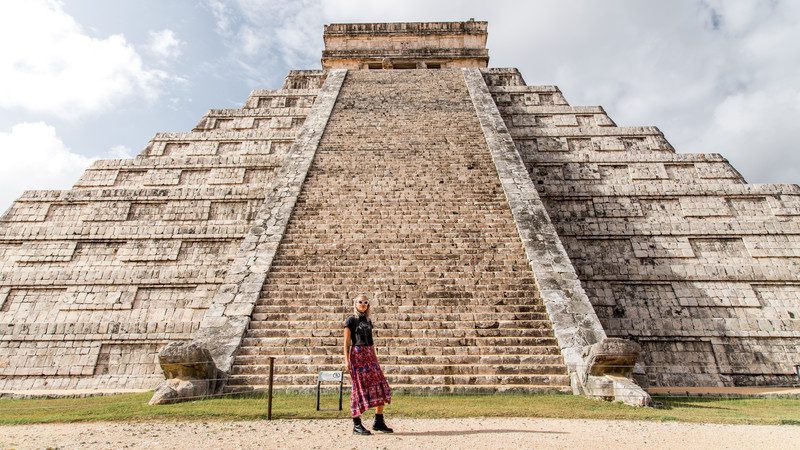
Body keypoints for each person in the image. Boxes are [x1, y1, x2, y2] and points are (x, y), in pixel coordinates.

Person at [343, 294, 393, 435]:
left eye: (366, 302)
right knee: (358, 388)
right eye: (360, 302)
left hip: (370, 355)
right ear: (355, 303)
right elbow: (346, 343)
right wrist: (347, 361)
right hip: (357, 356)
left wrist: (375, 360)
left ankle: (378, 421)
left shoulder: (368, 321)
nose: (363, 304)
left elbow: (371, 343)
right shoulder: (350, 320)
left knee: (381, 385)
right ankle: (357, 424)